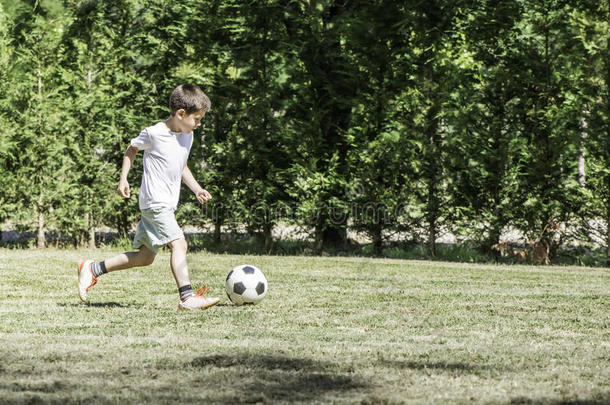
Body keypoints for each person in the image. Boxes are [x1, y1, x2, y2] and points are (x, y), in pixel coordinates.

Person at [78, 83, 220, 310]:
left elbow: (181, 165)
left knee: (145, 257)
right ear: (181, 114)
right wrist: (123, 178)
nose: (199, 124)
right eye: (197, 119)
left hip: (166, 205)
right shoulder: (154, 133)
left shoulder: (187, 136)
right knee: (180, 244)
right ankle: (187, 297)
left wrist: (196, 188)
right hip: (155, 203)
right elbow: (131, 149)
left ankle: (93, 268)